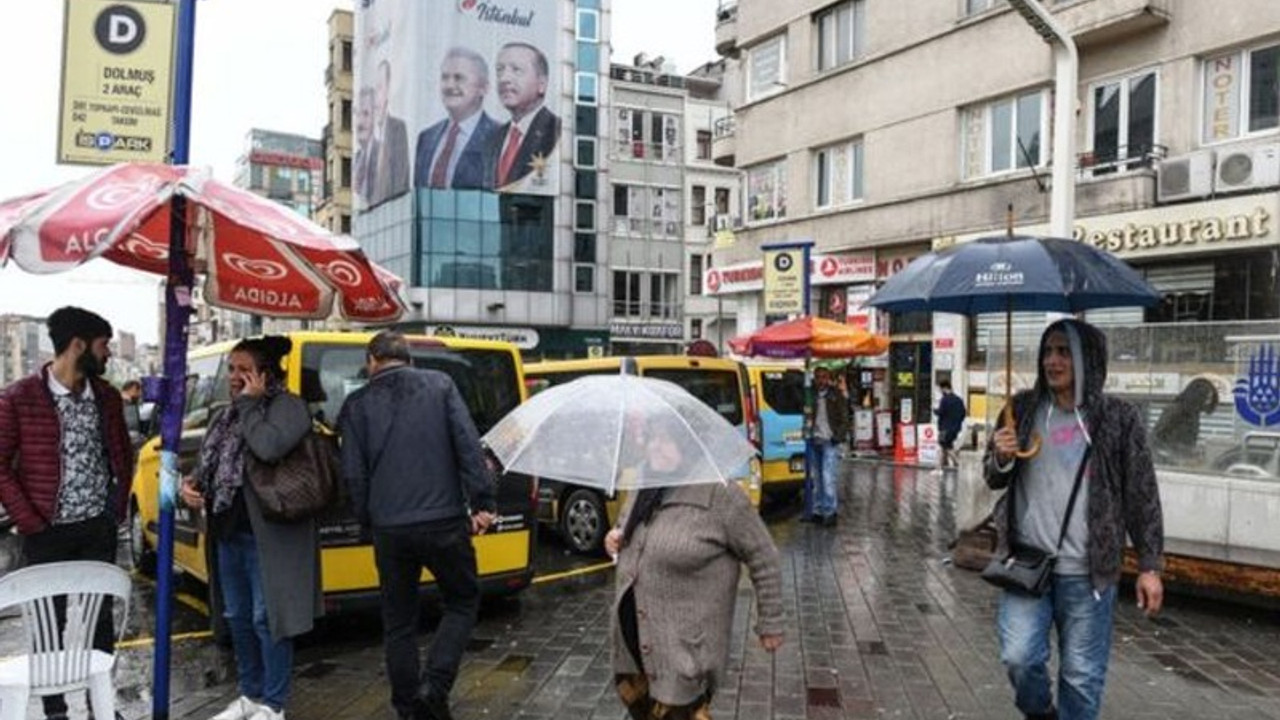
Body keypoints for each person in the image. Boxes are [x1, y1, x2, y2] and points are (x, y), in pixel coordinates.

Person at [985, 319, 1164, 720]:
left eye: (1065, 351)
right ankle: (1041, 713)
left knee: (1081, 679)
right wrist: (1000, 455)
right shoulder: (1023, 408)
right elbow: (994, 476)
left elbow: (1142, 494)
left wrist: (1150, 566)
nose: (1053, 360)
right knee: (1019, 657)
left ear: (1089, 358)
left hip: (1089, 571)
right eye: (1048, 351)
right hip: (1026, 563)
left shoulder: (1118, 418)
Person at [337, 331, 497, 720]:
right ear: (408, 358)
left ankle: (408, 708)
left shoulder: (356, 405)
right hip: (444, 520)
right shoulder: (440, 385)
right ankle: (435, 686)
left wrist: (367, 521)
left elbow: (354, 475)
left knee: (399, 623)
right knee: (461, 600)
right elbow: (467, 445)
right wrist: (482, 502)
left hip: (390, 529)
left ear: (372, 360)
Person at [0, 306, 134, 720]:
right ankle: (55, 710)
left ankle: (100, 705)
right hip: (44, 530)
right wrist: (29, 519)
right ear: (78, 346)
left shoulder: (107, 397)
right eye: (102, 345)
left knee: (101, 623)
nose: (108, 353)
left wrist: (113, 508)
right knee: (47, 624)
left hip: (97, 527)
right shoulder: (18, 397)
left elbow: (122, 455)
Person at [603, 417, 785, 720]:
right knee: (642, 711)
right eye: (651, 440)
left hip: (683, 650)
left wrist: (772, 621)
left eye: (666, 440)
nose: (655, 448)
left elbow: (764, 556)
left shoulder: (721, 495)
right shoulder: (644, 488)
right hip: (634, 643)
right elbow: (626, 530)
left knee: (680, 712)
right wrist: (615, 536)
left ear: (690, 446)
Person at [179, 336, 322, 720]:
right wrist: (190, 487)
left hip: (271, 534)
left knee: (267, 617)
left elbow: (268, 447)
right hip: (228, 531)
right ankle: (250, 693)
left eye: (245, 370)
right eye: (232, 369)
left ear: (266, 373)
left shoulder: (289, 407)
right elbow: (208, 466)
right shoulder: (224, 414)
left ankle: (273, 704)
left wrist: (250, 405)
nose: (235, 377)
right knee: (237, 616)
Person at [414, 47, 499, 190]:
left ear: (484, 88)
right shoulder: (426, 137)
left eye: (459, 78)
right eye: (444, 77)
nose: (449, 85)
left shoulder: (500, 138)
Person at [486, 42, 561, 189]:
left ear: (542, 84)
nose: (504, 79)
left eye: (516, 70)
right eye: (500, 70)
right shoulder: (492, 139)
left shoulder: (557, 132)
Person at [807, 366, 849, 526]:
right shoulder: (810, 394)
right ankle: (818, 510)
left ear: (829, 378)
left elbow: (845, 418)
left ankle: (830, 512)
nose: (821, 381)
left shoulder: (836, 395)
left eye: (824, 377)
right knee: (817, 478)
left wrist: (837, 437)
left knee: (828, 477)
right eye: (818, 377)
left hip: (829, 441)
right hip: (814, 440)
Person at [366, 59, 410, 206]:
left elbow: (400, 183)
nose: (375, 97)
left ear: (387, 90)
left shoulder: (398, 129)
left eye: (379, 88)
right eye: (373, 89)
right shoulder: (369, 137)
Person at [1152, 377, 1218, 462]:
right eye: (1206, 398)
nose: (1208, 402)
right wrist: (1182, 451)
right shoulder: (1176, 410)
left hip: (1181, 460)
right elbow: (1157, 438)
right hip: (1169, 462)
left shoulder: (1194, 414)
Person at [934, 379, 967, 471]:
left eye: (940, 390)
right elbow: (963, 413)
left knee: (943, 445)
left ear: (944, 388)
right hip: (955, 428)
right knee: (947, 445)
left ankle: (953, 463)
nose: (940, 392)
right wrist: (957, 422)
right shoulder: (959, 400)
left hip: (945, 427)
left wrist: (935, 410)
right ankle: (945, 464)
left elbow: (941, 412)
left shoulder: (944, 400)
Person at [121, 378, 148, 446]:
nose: (139, 393)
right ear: (127, 390)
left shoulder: (135, 404)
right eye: (136, 390)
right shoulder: (121, 402)